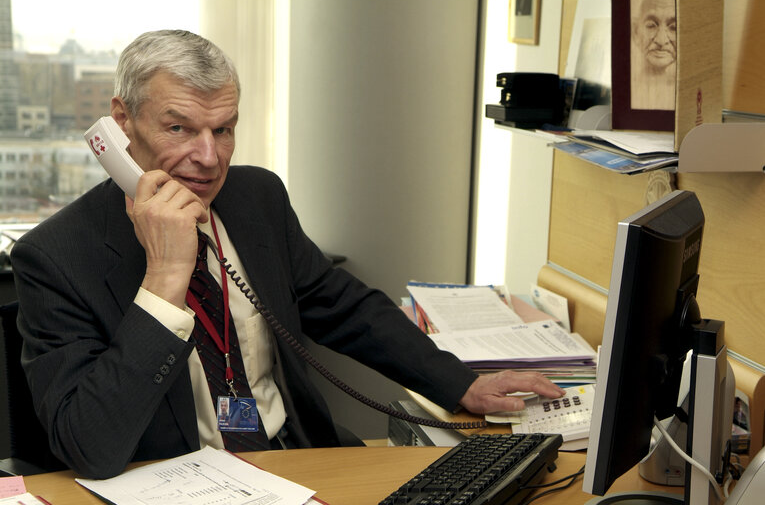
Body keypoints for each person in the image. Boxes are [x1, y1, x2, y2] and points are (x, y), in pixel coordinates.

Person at [10, 30, 563, 480]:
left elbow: (344, 308)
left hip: (293, 460)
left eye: (223, 130)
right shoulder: (56, 256)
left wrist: (458, 383)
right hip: (169, 483)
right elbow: (90, 444)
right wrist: (166, 276)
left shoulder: (256, 198)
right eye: (179, 128)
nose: (208, 159)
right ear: (120, 123)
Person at [630, 0, 676, 110]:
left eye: (673, 27)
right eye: (651, 26)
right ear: (635, 31)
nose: (661, 40)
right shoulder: (629, 89)